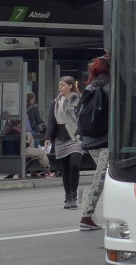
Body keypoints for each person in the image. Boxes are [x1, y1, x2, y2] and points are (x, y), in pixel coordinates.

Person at [77, 54, 111, 231]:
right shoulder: (110, 86)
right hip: (106, 139)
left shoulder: (90, 86)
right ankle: (87, 215)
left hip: (89, 140)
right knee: (101, 178)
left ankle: (88, 212)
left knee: (103, 177)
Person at [45, 76, 84, 208]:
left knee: (74, 165)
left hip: (76, 137)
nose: (60, 87)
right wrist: (48, 139)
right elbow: (51, 122)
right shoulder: (55, 103)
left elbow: (84, 118)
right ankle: (68, 197)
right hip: (61, 138)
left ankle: (73, 196)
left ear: (70, 86)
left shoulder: (79, 100)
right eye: (60, 85)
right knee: (65, 169)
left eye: (63, 85)